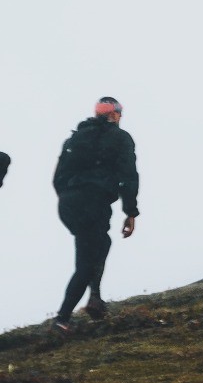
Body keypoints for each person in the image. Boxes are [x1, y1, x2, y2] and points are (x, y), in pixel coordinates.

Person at [52, 97, 139, 332]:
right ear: (114, 115)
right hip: (93, 202)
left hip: (69, 204)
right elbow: (128, 176)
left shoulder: (74, 138)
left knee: (99, 244)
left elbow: (58, 177)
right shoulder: (120, 138)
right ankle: (62, 318)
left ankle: (95, 298)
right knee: (87, 261)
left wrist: (69, 197)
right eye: (120, 114)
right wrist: (130, 212)